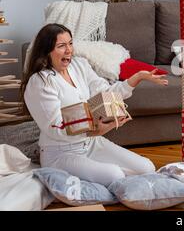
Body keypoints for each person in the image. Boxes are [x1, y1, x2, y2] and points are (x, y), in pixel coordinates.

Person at [21, 23, 168, 187]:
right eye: (61, 46)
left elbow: (105, 93)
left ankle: (125, 181)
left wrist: (137, 78)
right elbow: (56, 127)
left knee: (146, 167)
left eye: (70, 43)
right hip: (60, 153)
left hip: (91, 144)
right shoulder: (40, 82)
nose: (69, 50)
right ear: (46, 51)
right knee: (115, 175)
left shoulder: (79, 65)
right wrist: (95, 130)